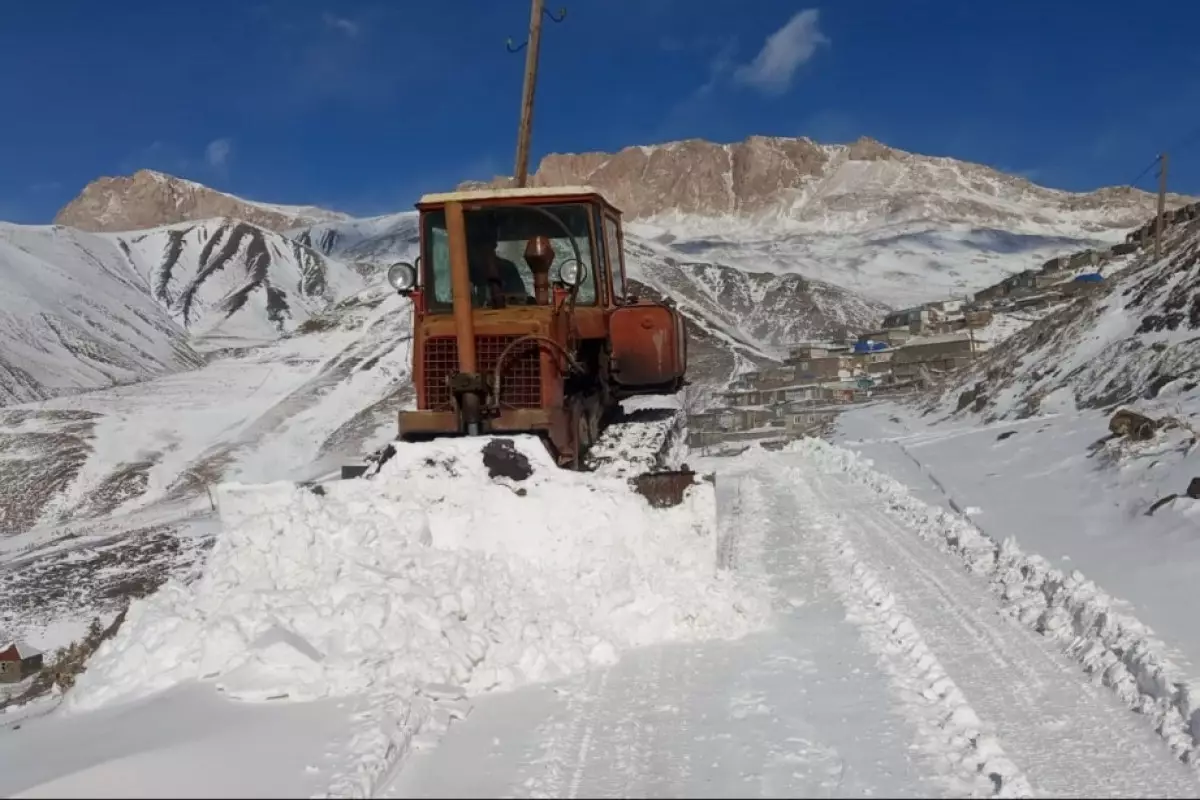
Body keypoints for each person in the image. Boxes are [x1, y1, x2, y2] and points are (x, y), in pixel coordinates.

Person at [466, 221, 528, 300]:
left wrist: (493, 271)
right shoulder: (462, 272)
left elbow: (519, 301)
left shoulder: (508, 269)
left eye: (487, 244)